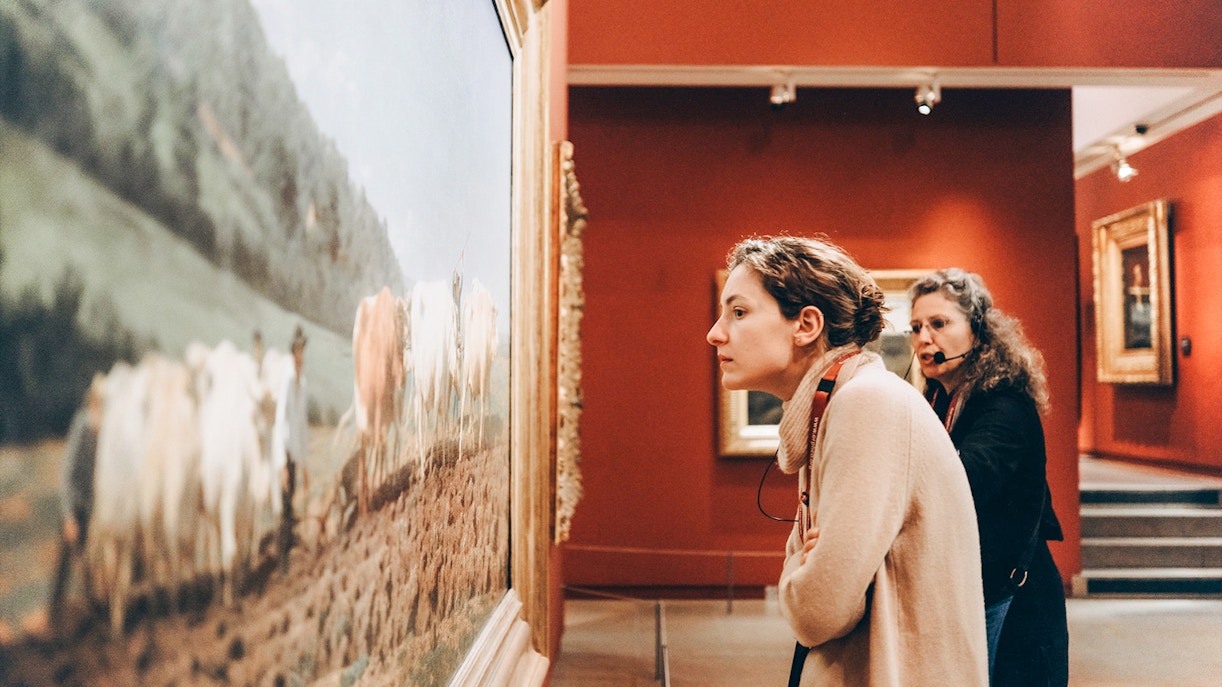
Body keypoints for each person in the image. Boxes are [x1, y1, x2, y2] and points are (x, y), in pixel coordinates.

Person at [707, 235, 988, 686]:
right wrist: (811, 562)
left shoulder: (865, 404)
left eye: (738, 312)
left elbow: (818, 613)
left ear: (806, 325)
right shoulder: (839, 402)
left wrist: (800, 563)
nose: (715, 333)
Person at [908, 268, 1068, 686]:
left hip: (1015, 600)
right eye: (916, 327)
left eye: (939, 324)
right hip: (977, 588)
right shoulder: (941, 398)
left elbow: (963, 478)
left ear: (977, 333)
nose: (924, 338)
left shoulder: (1004, 404)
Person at [49, 374, 104, 631]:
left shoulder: (104, 431)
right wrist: (69, 515)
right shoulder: (82, 425)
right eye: (100, 401)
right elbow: (67, 474)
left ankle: (89, 616)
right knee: (64, 567)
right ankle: (54, 620)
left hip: (92, 510)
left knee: (89, 563)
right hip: (75, 508)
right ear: (92, 400)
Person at [273, 325, 309, 573]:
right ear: (292, 352)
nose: (300, 355)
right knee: (285, 507)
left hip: (295, 453)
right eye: (297, 350)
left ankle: (287, 552)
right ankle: (282, 562)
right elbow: (280, 421)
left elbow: (302, 425)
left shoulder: (302, 382)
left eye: (303, 350)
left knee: (291, 503)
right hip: (285, 453)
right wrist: (282, 464)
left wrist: (303, 463)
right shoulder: (286, 379)